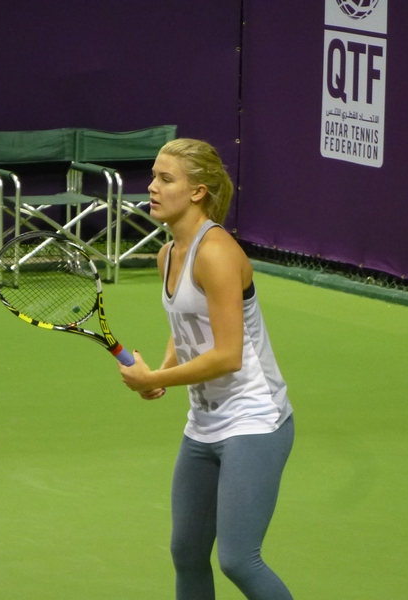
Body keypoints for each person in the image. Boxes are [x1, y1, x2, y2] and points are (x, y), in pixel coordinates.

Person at [118, 138, 294, 600]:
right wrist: (163, 368)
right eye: (154, 176)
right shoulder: (167, 255)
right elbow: (188, 326)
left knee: (238, 558)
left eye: (166, 178)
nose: (152, 187)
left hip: (255, 420)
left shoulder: (216, 253)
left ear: (197, 192)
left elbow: (227, 354)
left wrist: (155, 379)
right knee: (188, 553)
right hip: (204, 423)